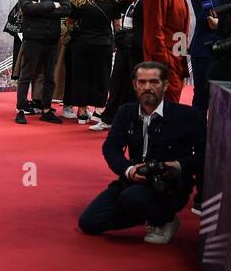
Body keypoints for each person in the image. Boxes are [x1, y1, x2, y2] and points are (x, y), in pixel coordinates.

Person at [77, 62, 203, 244]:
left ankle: (165, 220)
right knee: (89, 222)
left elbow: (205, 154)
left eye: (154, 82)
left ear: (165, 85)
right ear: (134, 85)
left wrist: (179, 165)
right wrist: (128, 170)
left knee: (132, 198)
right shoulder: (125, 113)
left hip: (170, 184)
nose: (147, 88)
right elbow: (111, 147)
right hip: (133, 179)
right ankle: (148, 213)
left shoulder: (186, 116)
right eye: (142, 82)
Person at [95, 0, 161, 130]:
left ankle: (133, 121)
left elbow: (153, 10)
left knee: (136, 83)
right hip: (125, 37)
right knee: (117, 81)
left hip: (141, 41)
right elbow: (124, 5)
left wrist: (136, 0)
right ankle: (109, 118)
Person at [14, 0, 69, 124]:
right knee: (26, 75)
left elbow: (67, 9)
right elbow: (27, 8)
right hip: (32, 39)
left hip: (52, 40)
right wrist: (52, 5)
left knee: (50, 77)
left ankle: (46, 110)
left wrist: (40, 7)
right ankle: (20, 110)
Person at [143, 0, 200, 104]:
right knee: (162, 111)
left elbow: (180, 33)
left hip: (176, 63)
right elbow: (153, 32)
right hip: (164, 66)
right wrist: (164, 63)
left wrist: (180, 63)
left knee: (170, 111)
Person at [64, 0, 119, 126]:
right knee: (101, 76)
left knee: (81, 76)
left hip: (81, 43)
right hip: (103, 44)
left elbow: (69, 22)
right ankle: (99, 111)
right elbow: (117, 26)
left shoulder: (78, 1)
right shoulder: (111, 2)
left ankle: (82, 113)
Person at [189, 0, 230, 114]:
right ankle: (196, 136)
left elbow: (217, 20)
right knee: (202, 97)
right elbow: (209, 21)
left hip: (227, 52)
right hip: (207, 52)